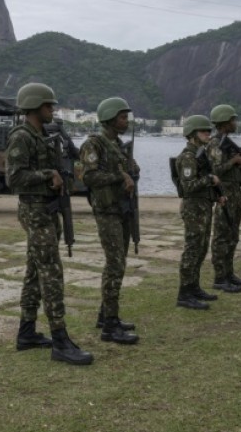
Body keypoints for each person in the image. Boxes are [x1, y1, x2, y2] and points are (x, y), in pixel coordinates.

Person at [6, 82, 93, 365]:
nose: (52, 110)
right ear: (33, 107)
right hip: (35, 211)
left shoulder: (43, 135)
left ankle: (27, 332)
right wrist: (48, 175)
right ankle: (60, 341)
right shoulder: (22, 137)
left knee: (35, 270)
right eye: (48, 105)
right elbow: (14, 178)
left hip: (47, 209)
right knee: (51, 272)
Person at [79, 97, 140, 345]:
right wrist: (120, 175)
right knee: (114, 265)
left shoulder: (118, 145)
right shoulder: (94, 144)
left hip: (122, 209)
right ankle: (110, 327)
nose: (126, 121)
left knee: (120, 263)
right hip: (107, 211)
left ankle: (105, 316)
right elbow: (89, 176)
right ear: (110, 118)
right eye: (122, 117)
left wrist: (132, 170)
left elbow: (130, 171)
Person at [174, 115, 224, 310]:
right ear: (193, 133)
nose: (208, 134)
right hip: (193, 208)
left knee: (202, 248)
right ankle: (184, 293)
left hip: (203, 206)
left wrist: (216, 195)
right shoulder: (188, 157)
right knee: (192, 249)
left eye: (209, 131)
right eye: (204, 131)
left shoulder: (200, 155)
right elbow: (188, 187)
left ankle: (194, 287)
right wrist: (210, 179)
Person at [206, 104, 241, 293]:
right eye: (232, 120)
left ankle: (229, 273)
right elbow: (215, 170)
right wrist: (234, 161)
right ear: (224, 122)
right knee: (221, 237)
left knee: (233, 236)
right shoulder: (215, 144)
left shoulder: (228, 143)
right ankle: (219, 277)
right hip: (224, 194)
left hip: (235, 193)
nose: (235, 123)